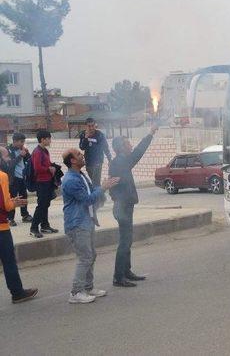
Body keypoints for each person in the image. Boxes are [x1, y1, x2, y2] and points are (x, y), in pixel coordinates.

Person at [61, 148, 119, 304]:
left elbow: (93, 192)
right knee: (85, 257)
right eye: (79, 154)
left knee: (91, 255)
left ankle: (88, 287)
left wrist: (103, 189)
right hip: (77, 224)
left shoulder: (80, 175)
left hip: (87, 221)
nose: (82, 155)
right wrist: (103, 188)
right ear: (72, 160)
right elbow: (87, 199)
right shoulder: (71, 180)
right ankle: (76, 292)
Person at [109, 124, 158, 287]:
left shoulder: (121, 161)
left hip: (125, 205)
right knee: (124, 241)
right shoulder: (120, 161)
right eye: (127, 143)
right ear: (121, 148)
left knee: (127, 240)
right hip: (122, 207)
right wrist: (150, 133)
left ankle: (126, 271)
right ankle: (118, 277)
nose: (130, 145)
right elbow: (139, 152)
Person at [0, 147, 38, 303]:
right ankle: (17, 292)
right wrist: (14, 203)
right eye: (6, 156)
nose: (8, 159)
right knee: (9, 261)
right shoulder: (2, 176)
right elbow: (5, 205)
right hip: (1, 228)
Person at [30, 130, 58, 238]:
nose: (50, 140)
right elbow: (37, 168)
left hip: (47, 181)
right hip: (41, 182)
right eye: (48, 138)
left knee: (46, 204)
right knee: (41, 205)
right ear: (42, 139)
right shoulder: (37, 152)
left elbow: (46, 164)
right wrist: (48, 169)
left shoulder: (45, 151)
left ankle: (45, 225)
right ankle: (33, 228)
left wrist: (53, 167)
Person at [6, 133, 33, 226]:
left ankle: (25, 215)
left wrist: (27, 154)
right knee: (13, 197)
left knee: (23, 196)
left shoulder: (22, 149)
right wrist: (20, 156)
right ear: (14, 141)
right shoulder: (8, 150)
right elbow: (9, 165)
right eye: (21, 142)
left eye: (23, 142)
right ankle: (10, 218)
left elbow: (30, 160)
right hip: (13, 179)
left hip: (22, 177)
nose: (23, 144)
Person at [79, 118, 112, 186]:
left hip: (98, 161)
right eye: (89, 126)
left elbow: (105, 148)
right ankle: (99, 194)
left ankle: (100, 195)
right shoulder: (83, 134)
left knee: (96, 182)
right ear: (86, 126)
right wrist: (86, 138)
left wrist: (109, 159)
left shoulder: (100, 135)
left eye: (92, 125)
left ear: (95, 125)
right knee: (94, 182)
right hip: (88, 162)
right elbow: (82, 147)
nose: (91, 128)